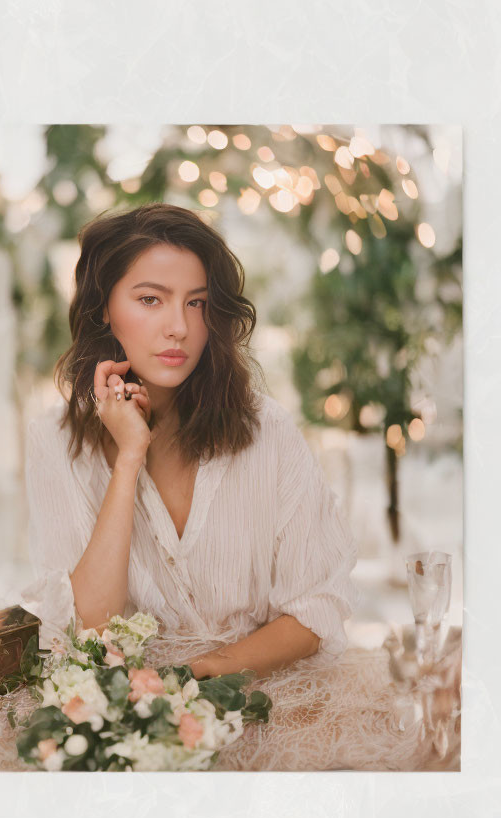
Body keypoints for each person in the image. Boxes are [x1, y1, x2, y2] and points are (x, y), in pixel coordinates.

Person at [23, 201, 361, 682]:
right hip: (119, 712)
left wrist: (193, 679)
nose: (178, 327)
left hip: (260, 694)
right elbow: (88, 627)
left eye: (196, 302)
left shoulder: (269, 431)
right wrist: (129, 458)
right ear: (104, 310)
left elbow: (317, 607)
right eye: (150, 300)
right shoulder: (55, 441)